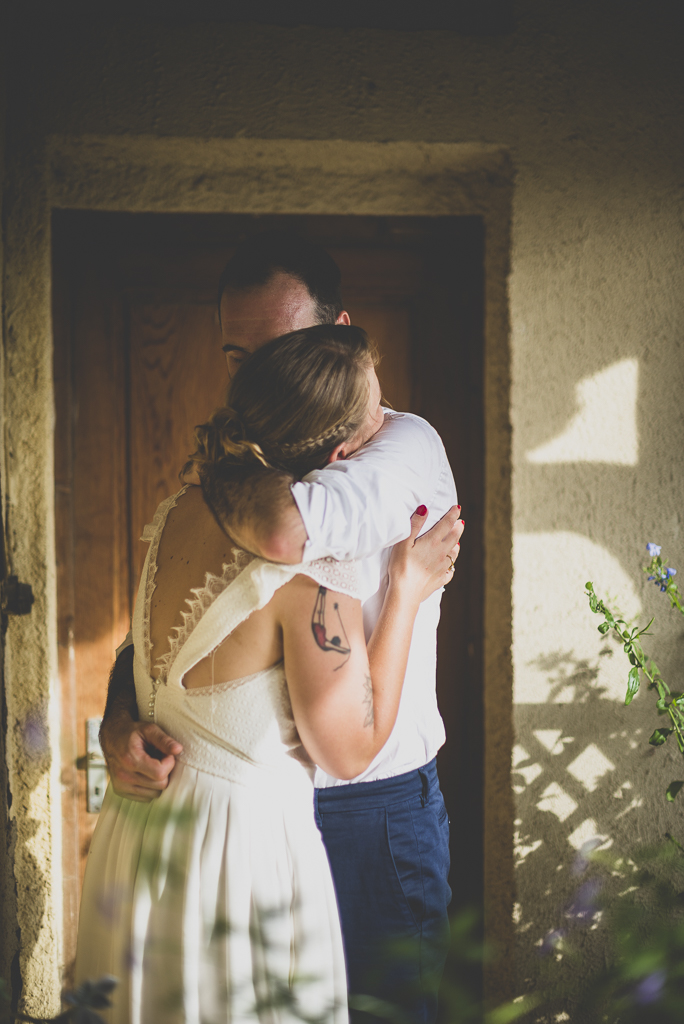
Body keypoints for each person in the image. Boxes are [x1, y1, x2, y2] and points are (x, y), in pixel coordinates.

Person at [100, 231, 460, 1021]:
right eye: (240, 357)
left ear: (339, 335)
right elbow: (157, 635)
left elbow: (283, 537)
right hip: (241, 812)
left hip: (370, 812)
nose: (260, 378)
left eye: (281, 350)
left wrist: (221, 472)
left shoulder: (399, 449)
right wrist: (118, 720)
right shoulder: (227, 480)